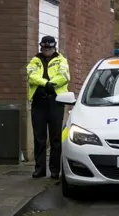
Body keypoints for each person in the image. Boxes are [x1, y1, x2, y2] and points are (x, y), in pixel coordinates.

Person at [26, 35, 70, 179]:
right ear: (41, 47)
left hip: (55, 102)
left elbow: (64, 76)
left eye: (50, 48)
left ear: (54, 47)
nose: (47, 50)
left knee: (56, 138)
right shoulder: (35, 61)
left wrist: (52, 84)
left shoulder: (61, 61)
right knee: (39, 138)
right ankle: (39, 169)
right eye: (45, 48)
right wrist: (46, 84)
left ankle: (55, 170)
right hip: (38, 103)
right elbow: (31, 75)